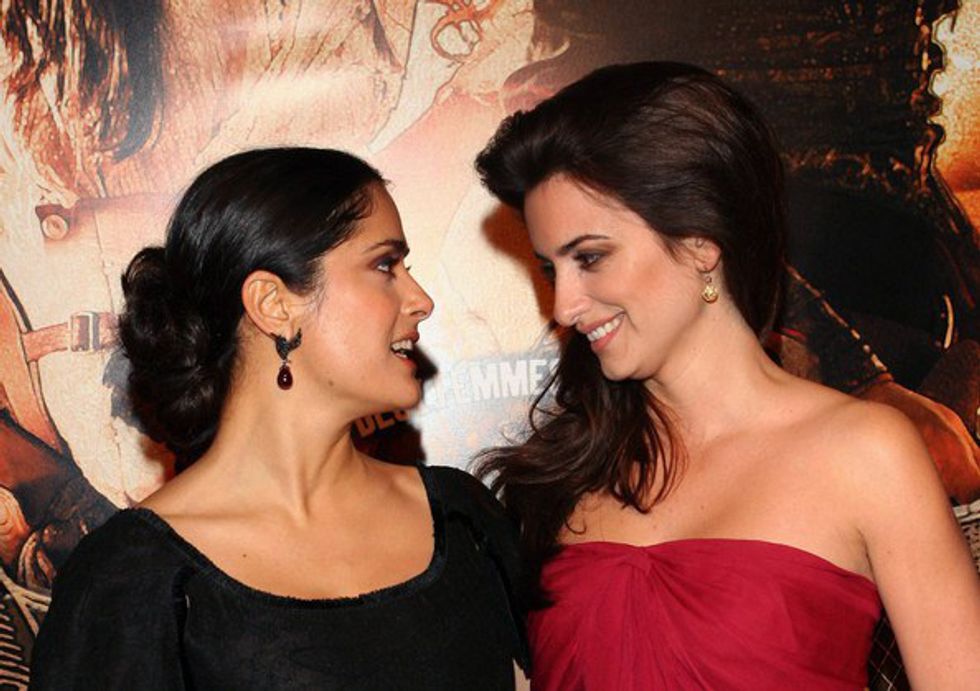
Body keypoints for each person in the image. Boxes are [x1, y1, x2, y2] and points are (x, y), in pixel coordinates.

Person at [475, 62, 980, 689]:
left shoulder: (867, 453)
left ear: (700, 241)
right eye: (553, 270)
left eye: (591, 258)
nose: (565, 307)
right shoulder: (568, 472)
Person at [30, 148, 527, 690]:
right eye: (385, 266)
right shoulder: (132, 580)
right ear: (272, 303)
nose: (421, 300)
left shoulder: (462, 519)